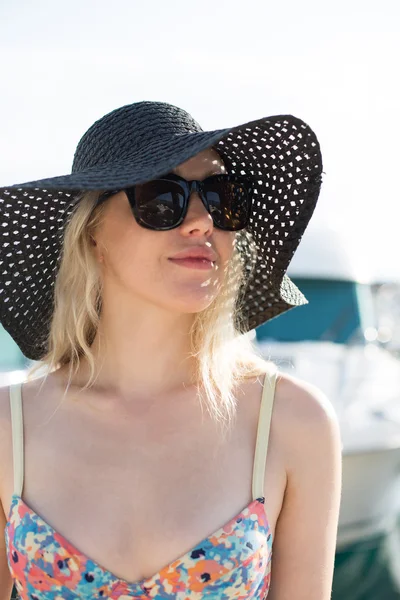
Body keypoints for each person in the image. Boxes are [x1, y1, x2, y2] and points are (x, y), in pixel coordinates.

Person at [0, 101, 342, 599]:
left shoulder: (291, 421)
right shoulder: (9, 428)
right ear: (92, 234)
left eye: (221, 196)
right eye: (162, 198)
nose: (203, 221)